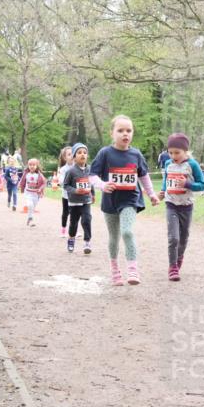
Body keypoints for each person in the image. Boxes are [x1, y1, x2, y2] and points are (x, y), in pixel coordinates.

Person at [89, 115, 160, 286]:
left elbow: (143, 176)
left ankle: (133, 269)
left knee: (127, 232)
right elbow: (91, 175)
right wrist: (103, 185)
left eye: (128, 130)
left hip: (130, 199)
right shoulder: (105, 153)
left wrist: (151, 194)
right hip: (110, 201)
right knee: (113, 237)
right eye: (120, 130)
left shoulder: (136, 154)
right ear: (111, 133)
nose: (125, 134)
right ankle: (115, 270)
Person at [159, 133, 204, 281]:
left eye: (177, 152)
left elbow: (203, 185)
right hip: (171, 204)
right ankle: (172, 266)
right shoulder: (168, 164)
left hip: (186, 206)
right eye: (170, 152)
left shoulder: (192, 164)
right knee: (173, 237)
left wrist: (187, 184)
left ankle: (179, 257)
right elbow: (166, 180)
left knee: (183, 238)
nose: (173, 156)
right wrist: (162, 191)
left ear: (185, 151)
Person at [62, 142, 94, 254]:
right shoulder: (71, 171)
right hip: (74, 202)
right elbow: (65, 185)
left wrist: (93, 194)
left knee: (87, 220)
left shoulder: (90, 169)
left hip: (86, 200)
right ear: (74, 157)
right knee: (73, 223)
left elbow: (92, 182)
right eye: (79, 153)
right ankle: (71, 238)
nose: (82, 155)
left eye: (85, 153)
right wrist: (75, 190)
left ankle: (87, 241)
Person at [21, 158, 46, 227]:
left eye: (34, 165)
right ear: (28, 166)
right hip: (28, 193)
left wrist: (40, 189)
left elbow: (44, 183)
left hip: (36, 194)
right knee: (30, 205)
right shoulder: (26, 174)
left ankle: (29, 218)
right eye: (30, 165)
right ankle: (31, 219)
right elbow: (22, 181)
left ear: (37, 166)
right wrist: (20, 186)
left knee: (32, 208)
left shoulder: (39, 175)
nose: (32, 166)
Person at [57, 146, 74, 237]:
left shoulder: (78, 167)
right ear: (64, 157)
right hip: (66, 195)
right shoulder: (63, 169)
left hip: (76, 196)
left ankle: (73, 230)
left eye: (72, 153)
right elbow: (61, 181)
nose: (71, 156)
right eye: (69, 154)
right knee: (65, 213)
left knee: (74, 213)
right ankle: (63, 229)